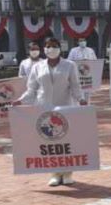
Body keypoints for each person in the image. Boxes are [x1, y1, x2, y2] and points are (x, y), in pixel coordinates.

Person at [13, 37, 87, 187]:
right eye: (48, 46)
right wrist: (20, 100)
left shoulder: (69, 65)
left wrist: (81, 99)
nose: (50, 49)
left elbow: (75, 86)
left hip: (65, 106)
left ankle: (67, 173)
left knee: (65, 141)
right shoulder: (38, 67)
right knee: (49, 142)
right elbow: (32, 89)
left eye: (54, 46)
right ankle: (54, 173)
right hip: (44, 108)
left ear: (60, 48)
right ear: (44, 49)